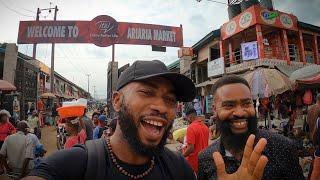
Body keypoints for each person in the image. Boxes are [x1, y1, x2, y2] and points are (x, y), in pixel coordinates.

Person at [25, 60, 268, 180]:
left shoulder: (179, 171)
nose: (161, 107)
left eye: (170, 100)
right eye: (147, 92)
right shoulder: (74, 164)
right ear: (117, 101)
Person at [198, 75, 304, 180]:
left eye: (246, 103)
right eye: (229, 105)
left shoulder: (283, 148)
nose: (240, 113)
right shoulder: (206, 159)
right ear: (215, 110)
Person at [182, 105, 209, 173]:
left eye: (187, 118)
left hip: (194, 162)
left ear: (190, 117)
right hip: (204, 160)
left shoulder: (191, 128)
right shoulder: (205, 127)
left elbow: (191, 149)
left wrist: (181, 156)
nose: (187, 120)